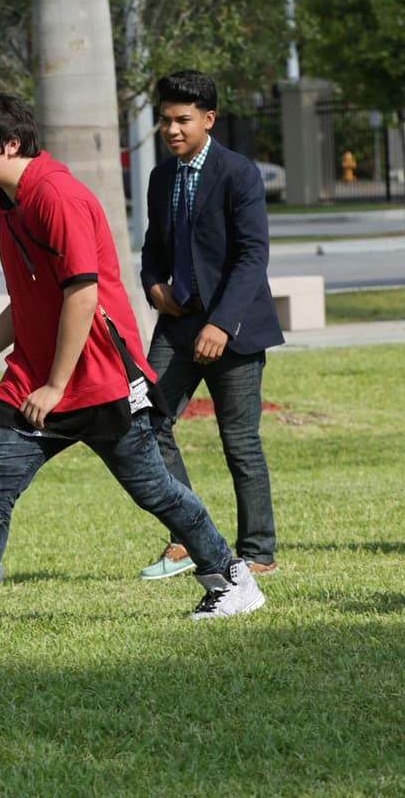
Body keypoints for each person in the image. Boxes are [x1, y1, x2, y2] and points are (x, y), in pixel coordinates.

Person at [0, 94, 265, 641]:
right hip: (34, 380)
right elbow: (28, 300)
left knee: (154, 490)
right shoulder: (8, 206)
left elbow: (82, 295)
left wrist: (56, 385)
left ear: (10, 145)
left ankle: (231, 578)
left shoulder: (56, 196)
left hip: (98, 378)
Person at [137, 70, 283, 581]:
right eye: (165, 120)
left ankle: (258, 552)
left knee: (239, 442)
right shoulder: (161, 177)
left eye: (182, 119)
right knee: (147, 421)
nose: (172, 129)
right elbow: (153, 248)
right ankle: (187, 537)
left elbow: (252, 256)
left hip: (234, 327)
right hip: (178, 323)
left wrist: (221, 324)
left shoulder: (239, 173)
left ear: (209, 119)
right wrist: (153, 286)